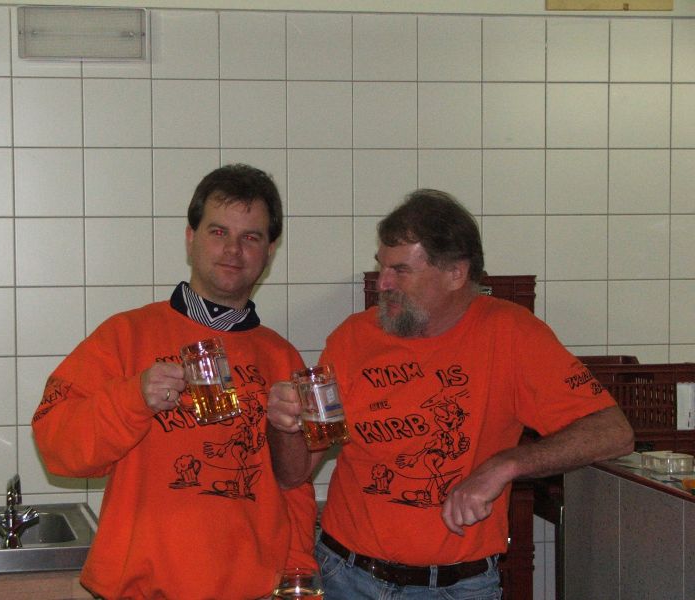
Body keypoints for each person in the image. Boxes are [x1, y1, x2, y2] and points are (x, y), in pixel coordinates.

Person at [266, 189, 634, 599]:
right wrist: (284, 426)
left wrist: (505, 464)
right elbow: (294, 473)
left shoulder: (511, 334)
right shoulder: (353, 337)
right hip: (346, 576)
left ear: (456, 274)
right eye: (381, 266)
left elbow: (614, 432)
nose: (382, 283)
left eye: (400, 271)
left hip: (457, 587)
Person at [32, 164, 317, 600]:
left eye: (251, 237)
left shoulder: (282, 357)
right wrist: (133, 398)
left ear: (270, 250)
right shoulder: (125, 336)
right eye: (218, 232)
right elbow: (57, 448)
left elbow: (293, 488)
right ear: (190, 238)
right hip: (139, 592)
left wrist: (298, 575)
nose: (233, 250)